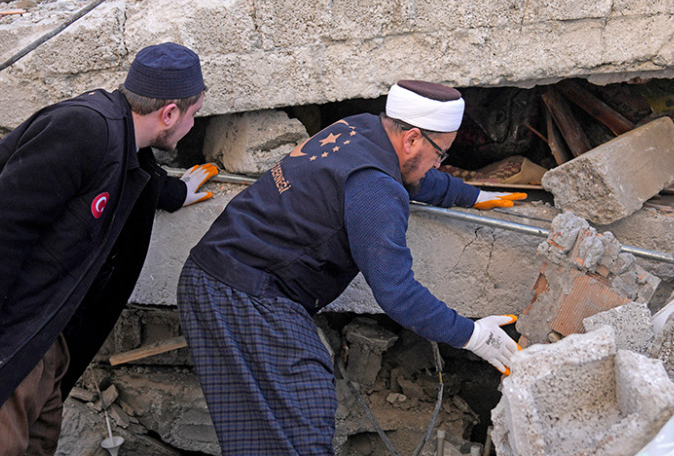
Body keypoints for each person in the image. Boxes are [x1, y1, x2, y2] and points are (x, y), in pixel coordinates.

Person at [0, 43, 219, 456]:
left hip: (37, 328)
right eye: (193, 115)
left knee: (37, 439)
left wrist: (174, 192)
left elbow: (128, 174)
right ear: (169, 113)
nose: (194, 125)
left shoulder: (120, 137)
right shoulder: (81, 127)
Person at [177, 80, 526, 455]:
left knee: (261, 436)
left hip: (212, 273)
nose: (438, 164)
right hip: (245, 295)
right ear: (411, 139)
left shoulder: (359, 128)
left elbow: (410, 175)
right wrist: (473, 335)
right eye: (440, 154)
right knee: (302, 423)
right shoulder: (376, 191)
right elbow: (398, 294)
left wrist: (470, 194)